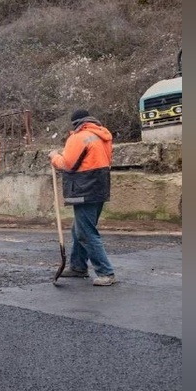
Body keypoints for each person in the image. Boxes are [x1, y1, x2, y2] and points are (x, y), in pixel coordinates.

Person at [49, 109, 116, 286]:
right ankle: (78, 266)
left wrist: (55, 157)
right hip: (99, 186)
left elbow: (67, 164)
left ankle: (106, 272)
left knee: (86, 232)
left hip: (84, 187)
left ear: (76, 123)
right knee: (79, 228)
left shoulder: (79, 137)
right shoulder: (103, 136)